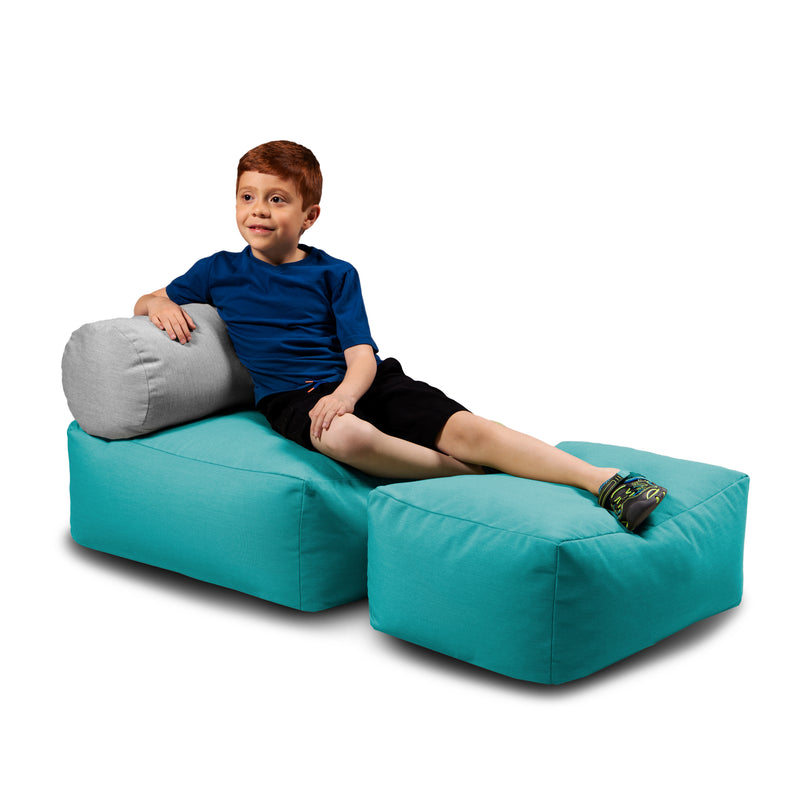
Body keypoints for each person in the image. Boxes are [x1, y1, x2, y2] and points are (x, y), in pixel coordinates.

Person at [134, 140, 666, 532]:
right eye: (247, 196)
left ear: (309, 215)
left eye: (277, 199)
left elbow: (361, 354)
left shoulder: (334, 273)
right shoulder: (217, 270)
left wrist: (347, 395)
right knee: (345, 438)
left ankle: (604, 480)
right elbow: (148, 298)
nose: (258, 209)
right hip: (291, 397)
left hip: (365, 381)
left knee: (471, 428)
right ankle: (472, 477)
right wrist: (157, 303)